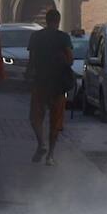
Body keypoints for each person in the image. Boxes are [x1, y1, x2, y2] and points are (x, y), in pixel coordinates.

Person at [26, 8, 74, 166]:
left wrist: (28, 77)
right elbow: (70, 60)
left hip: (40, 83)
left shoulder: (36, 36)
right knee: (55, 121)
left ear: (46, 21)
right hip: (58, 85)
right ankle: (50, 156)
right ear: (58, 21)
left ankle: (41, 143)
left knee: (35, 118)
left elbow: (31, 60)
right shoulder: (63, 38)